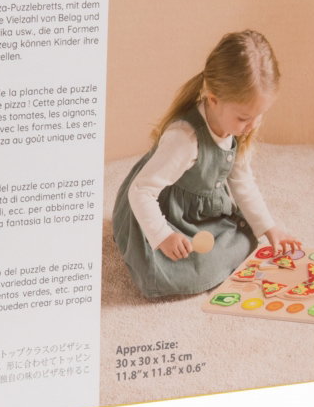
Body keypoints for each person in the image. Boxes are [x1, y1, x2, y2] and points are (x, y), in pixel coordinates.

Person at [112, 29, 300, 299]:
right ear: (213, 99)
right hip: (161, 210)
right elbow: (141, 191)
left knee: (246, 237)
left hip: (199, 209)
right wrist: (163, 235)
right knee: (173, 270)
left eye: (259, 116)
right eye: (244, 118)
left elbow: (242, 182)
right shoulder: (184, 138)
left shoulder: (236, 128)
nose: (252, 125)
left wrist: (269, 227)